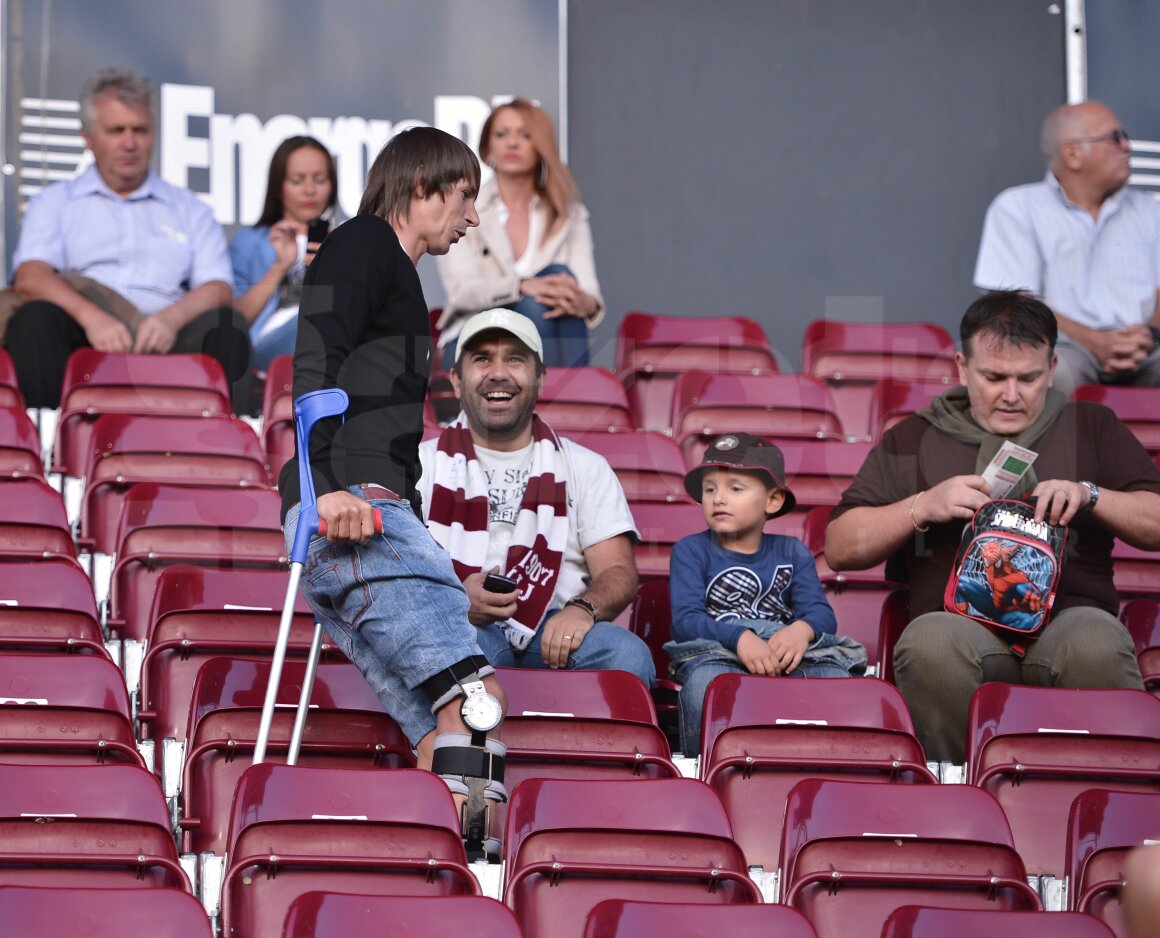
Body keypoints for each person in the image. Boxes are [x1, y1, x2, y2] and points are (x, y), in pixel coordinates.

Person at [825, 290, 1160, 764]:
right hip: (957, 627)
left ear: (1054, 368)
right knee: (931, 643)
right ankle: (957, 795)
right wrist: (922, 505)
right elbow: (839, 546)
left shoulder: (1092, 426)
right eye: (993, 377)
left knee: (1096, 641)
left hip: (1069, 622)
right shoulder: (915, 435)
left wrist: (1090, 495)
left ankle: (1113, 802)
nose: (1011, 395)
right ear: (961, 367)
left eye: (1029, 378)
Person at [278, 126, 507, 857]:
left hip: (374, 512)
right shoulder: (364, 245)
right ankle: (461, 876)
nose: (472, 218)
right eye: (466, 195)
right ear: (423, 186)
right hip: (354, 510)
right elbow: (315, 360)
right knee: (476, 708)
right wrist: (330, 488)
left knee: (445, 730)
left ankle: (435, 882)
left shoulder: (394, 269)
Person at [415, 308, 655, 686]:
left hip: (556, 625)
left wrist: (583, 610)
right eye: (482, 360)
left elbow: (617, 571)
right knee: (462, 652)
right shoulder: (420, 465)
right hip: (458, 622)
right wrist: (456, 602)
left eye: (515, 359)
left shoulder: (585, 466)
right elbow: (394, 573)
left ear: (541, 379)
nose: (498, 373)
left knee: (626, 654)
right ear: (457, 382)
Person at [6, 68, 249, 411]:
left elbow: (218, 289)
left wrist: (171, 319)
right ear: (88, 137)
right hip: (84, 334)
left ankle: (223, 446)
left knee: (227, 326)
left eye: (140, 130)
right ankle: (45, 442)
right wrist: (92, 317)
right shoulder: (55, 202)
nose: (130, 143)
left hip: (165, 336)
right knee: (36, 318)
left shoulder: (189, 209)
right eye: (116, 130)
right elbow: (31, 278)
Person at [974, 101, 1160, 396]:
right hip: (1063, 347)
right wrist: (1096, 342)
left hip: (1147, 352)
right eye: (1115, 138)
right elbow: (1017, 305)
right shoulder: (1017, 208)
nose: (1128, 146)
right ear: (1073, 154)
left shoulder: (1149, 211)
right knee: (1055, 373)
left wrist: (1150, 335)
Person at [664, 432, 863, 758]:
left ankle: (827, 767)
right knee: (704, 687)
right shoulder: (691, 550)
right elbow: (686, 622)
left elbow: (822, 614)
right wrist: (740, 637)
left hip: (784, 656)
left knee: (837, 679)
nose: (719, 499)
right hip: (718, 655)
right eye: (710, 489)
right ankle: (705, 770)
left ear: (772, 501)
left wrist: (801, 630)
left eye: (735, 489)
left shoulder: (792, 551)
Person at [435, 99, 604, 368]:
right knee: (536, 303)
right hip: (473, 336)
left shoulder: (569, 214)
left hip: (550, 330)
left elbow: (589, 292)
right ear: (487, 148)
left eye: (525, 135)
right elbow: (462, 292)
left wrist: (579, 301)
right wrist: (522, 286)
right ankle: (575, 400)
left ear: (541, 146)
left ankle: (561, 399)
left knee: (557, 290)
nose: (512, 143)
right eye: (502, 135)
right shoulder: (462, 208)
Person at [229, 135, 338, 371]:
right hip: (267, 348)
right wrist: (279, 267)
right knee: (315, 320)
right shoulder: (250, 242)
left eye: (320, 180)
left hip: (333, 348)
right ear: (278, 186)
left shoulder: (347, 242)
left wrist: (333, 267)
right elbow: (233, 322)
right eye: (298, 181)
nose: (310, 190)